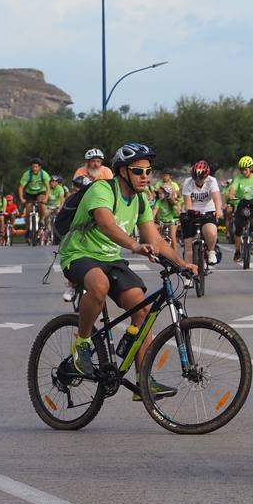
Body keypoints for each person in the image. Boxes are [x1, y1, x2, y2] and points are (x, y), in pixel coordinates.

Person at [60, 143, 194, 397]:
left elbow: (155, 239)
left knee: (143, 310)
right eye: (138, 171)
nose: (145, 176)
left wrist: (182, 263)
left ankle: (143, 381)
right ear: (123, 172)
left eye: (148, 171)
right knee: (99, 286)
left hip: (110, 258)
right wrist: (134, 245)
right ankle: (82, 344)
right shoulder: (102, 189)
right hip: (79, 253)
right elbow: (105, 222)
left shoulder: (141, 200)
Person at [181, 160, 223, 267]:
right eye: (196, 179)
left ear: (206, 176)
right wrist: (190, 213)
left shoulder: (212, 181)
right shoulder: (187, 182)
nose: (199, 181)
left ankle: (211, 251)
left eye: (201, 179)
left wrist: (218, 210)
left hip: (208, 210)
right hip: (192, 211)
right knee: (188, 245)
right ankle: (189, 274)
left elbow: (216, 198)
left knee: (211, 231)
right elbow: (188, 202)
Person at [226, 156, 253, 258]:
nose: (243, 172)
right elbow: (232, 191)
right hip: (242, 203)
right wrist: (232, 196)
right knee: (238, 229)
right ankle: (237, 251)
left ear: (251, 168)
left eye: (245, 169)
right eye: (241, 170)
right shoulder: (238, 179)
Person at [151, 169, 181, 251]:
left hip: (172, 221)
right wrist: (150, 221)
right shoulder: (159, 202)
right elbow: (153, 213)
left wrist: (177, 207)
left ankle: (174, 253)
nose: (159, 195)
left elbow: (178, 213)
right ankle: (155, 248)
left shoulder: (173, 203)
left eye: (161, 193)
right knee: (153, 229)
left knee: (172, 236)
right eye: (159, 193)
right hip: (161, 220)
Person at [18, 158, 50, 227]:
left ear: (40, 167)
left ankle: (41, 220)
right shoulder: (27, 174)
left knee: (41, 204)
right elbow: (21, 187)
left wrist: (46, 198)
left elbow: (48, 187)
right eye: (33, 167)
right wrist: (22, 199)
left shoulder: (44, 174)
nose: (34, 169)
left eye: (36, 167)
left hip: (40, 192)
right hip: (30, 193)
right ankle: (28, 228)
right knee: (27, 212)